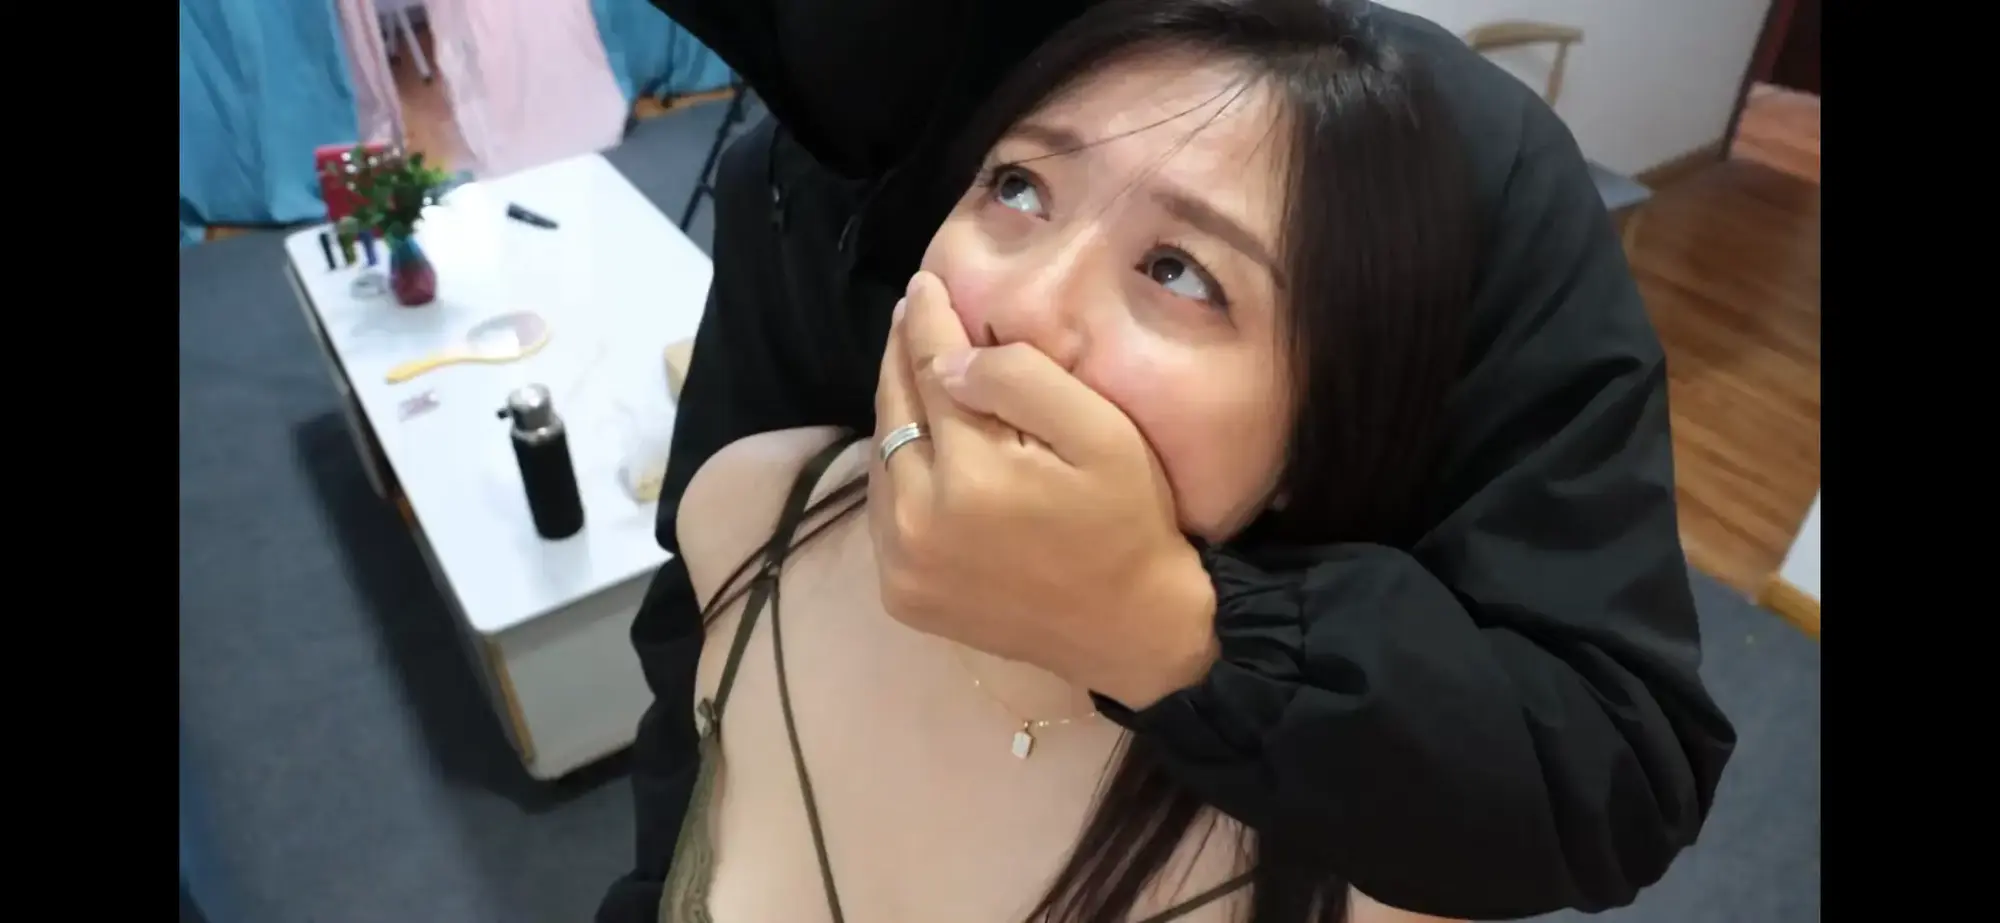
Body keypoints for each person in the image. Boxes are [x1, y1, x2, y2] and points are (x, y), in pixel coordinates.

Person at [597, 0, 1736, 919]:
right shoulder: (750, 475)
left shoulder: (1438, 154)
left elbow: (1607, 763)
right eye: (1013, 186)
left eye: (1178, 272)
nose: (1020, 311)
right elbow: (692, 685)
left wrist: (1173, 627)